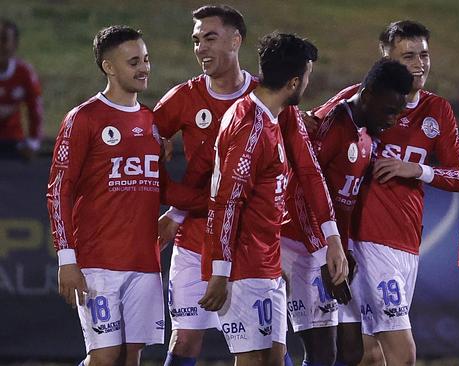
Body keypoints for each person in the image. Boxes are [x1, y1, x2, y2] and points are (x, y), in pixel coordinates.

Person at [154, 6, 347, 365]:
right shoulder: (199, 103)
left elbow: (307, 170)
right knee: (188, 344)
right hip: (214, 247)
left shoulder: (274, 104)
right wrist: (178, 209)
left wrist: (330, 236)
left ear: (236, 39)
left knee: (273, 353)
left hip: (256, 246)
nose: (201, 48)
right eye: (196, 40)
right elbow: (222, 197)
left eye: (210, 38)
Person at [305, 20, 459, 365]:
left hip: (406, 241)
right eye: (408, 56)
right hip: (366, 241)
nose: (419, 63)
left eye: (424, 54)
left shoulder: (437, 110)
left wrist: (418, 170)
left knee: (370, 355)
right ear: (385, 57)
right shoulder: (362, 99)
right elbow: (310, 126)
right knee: (401, 353)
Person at [46, 25, 202, 366]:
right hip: (98, 262)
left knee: (131, 357)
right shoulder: (83, 118)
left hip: (145, 263)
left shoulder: (150, 121)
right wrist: (67, 259)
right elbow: (59, 191)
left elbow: (161, 187)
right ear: (109, 67)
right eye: (134, 62)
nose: (144, 67)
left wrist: (217, 198)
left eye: (146, 59)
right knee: (104, 358)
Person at [197, 32, 321, 366]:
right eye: (307, 77)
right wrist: (221, 271)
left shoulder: (272, 119)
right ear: (294, 82)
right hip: (242, 265)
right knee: (253, 360)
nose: (307, 85)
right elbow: (228, 201)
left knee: (274, 360)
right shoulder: (251, 125)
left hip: (265, 262)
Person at [281, 58, 412, 366]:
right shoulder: (331, 126)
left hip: (330, 250)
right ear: (367, 97)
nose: (393, 120)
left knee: (346, 351)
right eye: (389, 111)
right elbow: (301, 190)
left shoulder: (366, 132)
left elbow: (346, 202)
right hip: (296, 245)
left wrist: (344, 246)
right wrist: (323, 250)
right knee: (308, 350)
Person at [0, 18, 43, 159]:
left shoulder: (24, 73)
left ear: (15, 44)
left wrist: (33, 143)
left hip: (14, 143)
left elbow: (35, 110)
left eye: (4, 39)